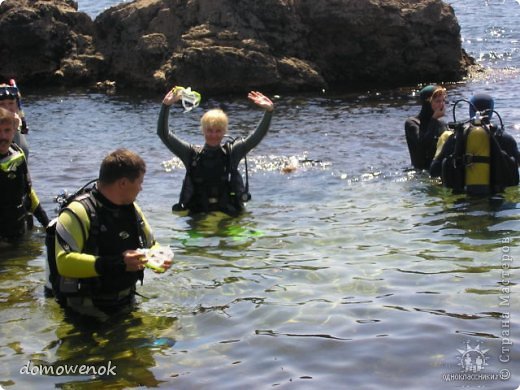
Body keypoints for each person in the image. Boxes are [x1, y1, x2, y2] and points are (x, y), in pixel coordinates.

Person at [53, 148, 172, 320]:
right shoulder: (77, 212)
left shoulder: (132, 208)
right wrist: (119, 263)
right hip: (85, 309)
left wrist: (159, 258)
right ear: (123, 183)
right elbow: (64, 262)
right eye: (139, 182)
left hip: (126, 301)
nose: (141, 188)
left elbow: (151, 244)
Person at [157, 87, 274, 216]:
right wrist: (166, 106)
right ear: (203, 130)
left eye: (218, 131)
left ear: (224, 131)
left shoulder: (232, 153)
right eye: (209, 130)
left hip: (230, 215)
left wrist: (269, 111)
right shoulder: (191, 154)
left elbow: (256, 137)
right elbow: (163, 134)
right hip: (198, 216)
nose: (213, 135)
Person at [430, 93, 520, 195]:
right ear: (491, 110)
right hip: (496, 197)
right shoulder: (504, 137)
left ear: (470, 109)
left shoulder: (456, 137)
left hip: (463, 198)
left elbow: (434, 170)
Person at [0, 107, 48, 242]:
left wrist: (46, 223)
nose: (3, 137)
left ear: (13, 131)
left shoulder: (17, 154)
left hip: (20, 233)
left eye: (7, 131)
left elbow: (28, 193)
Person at [405, 85, 448, 170]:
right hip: (420, 174)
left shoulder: (441, 124)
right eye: (438, 101)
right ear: (427, 103)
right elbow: (424, 145)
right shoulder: (412, 123)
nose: (442, 104)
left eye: (443, 100)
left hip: (436, 170)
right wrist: (434, 119)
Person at [0, 83, 29, 159]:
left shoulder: (18, 125)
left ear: (17, 106)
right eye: (2, 104)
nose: (7, 107)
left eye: (11, 103)